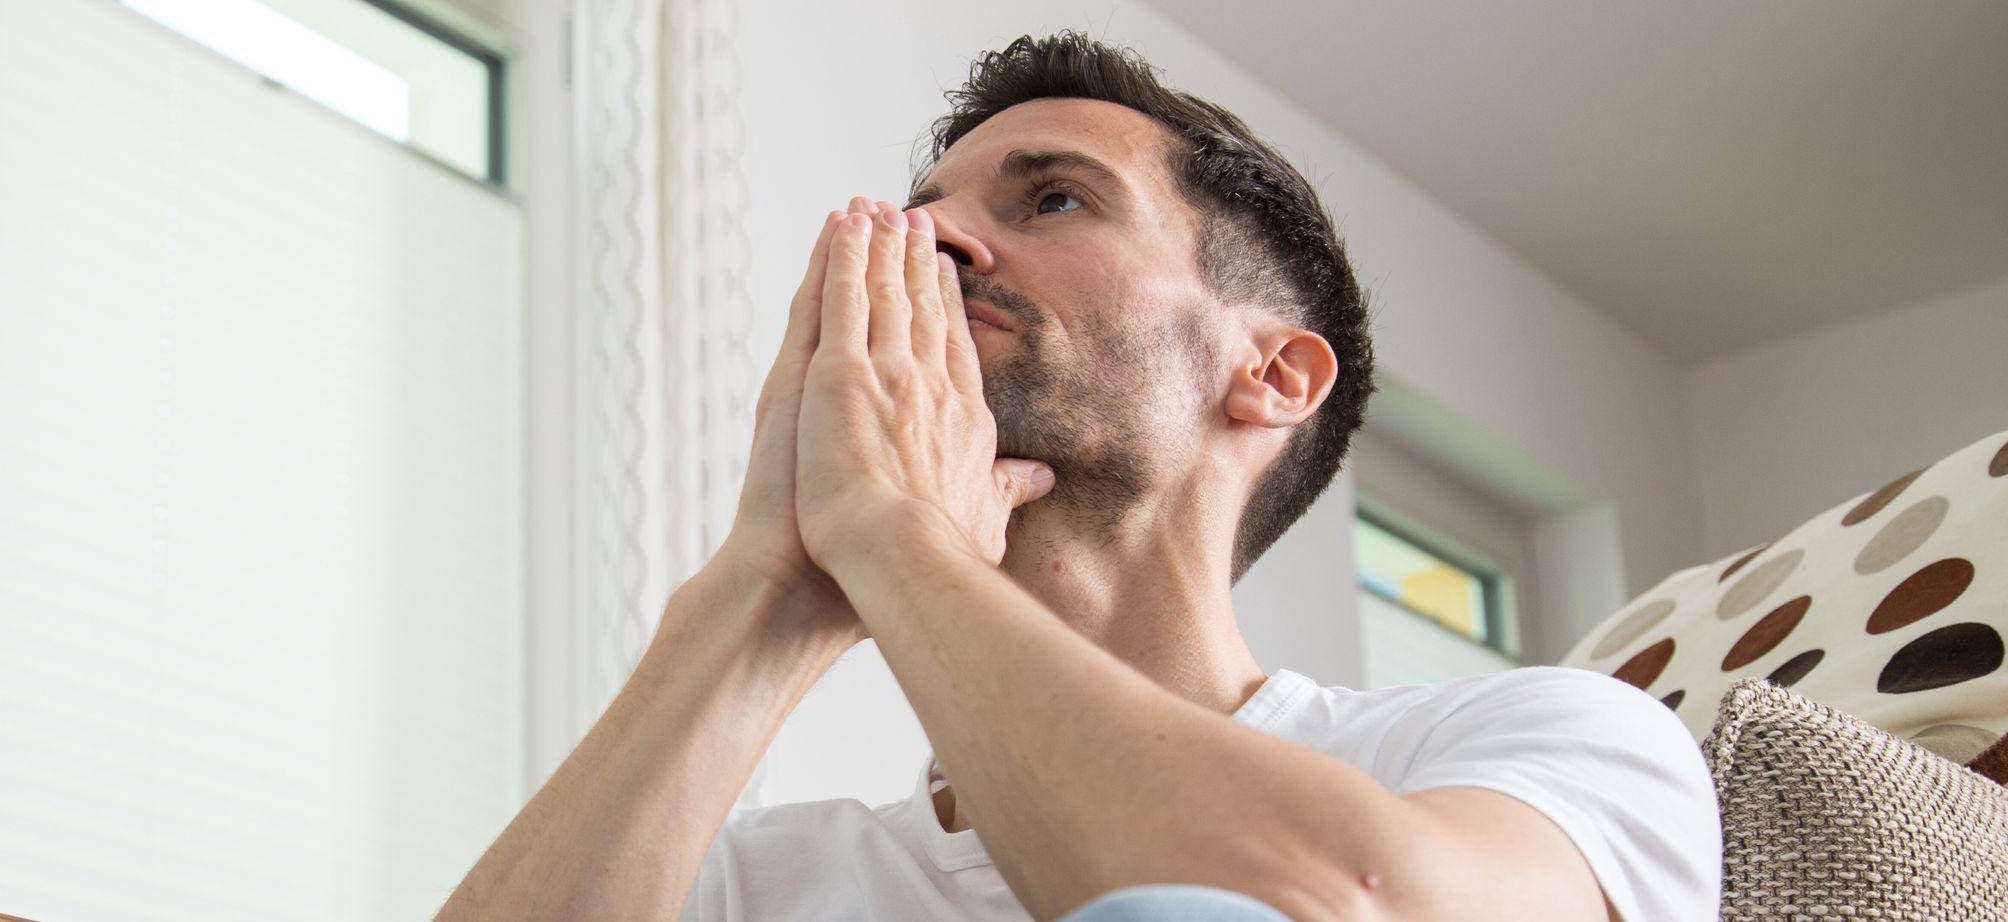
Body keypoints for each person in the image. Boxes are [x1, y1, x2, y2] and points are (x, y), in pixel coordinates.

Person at [436, 32, 1719, 922]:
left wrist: (892, 531)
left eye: (1052, 199)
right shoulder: (743, 880)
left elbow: (1313, 910)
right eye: (919, 209)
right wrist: (764, 588)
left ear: (1271, 374)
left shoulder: (1534, 747)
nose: (927, 238)